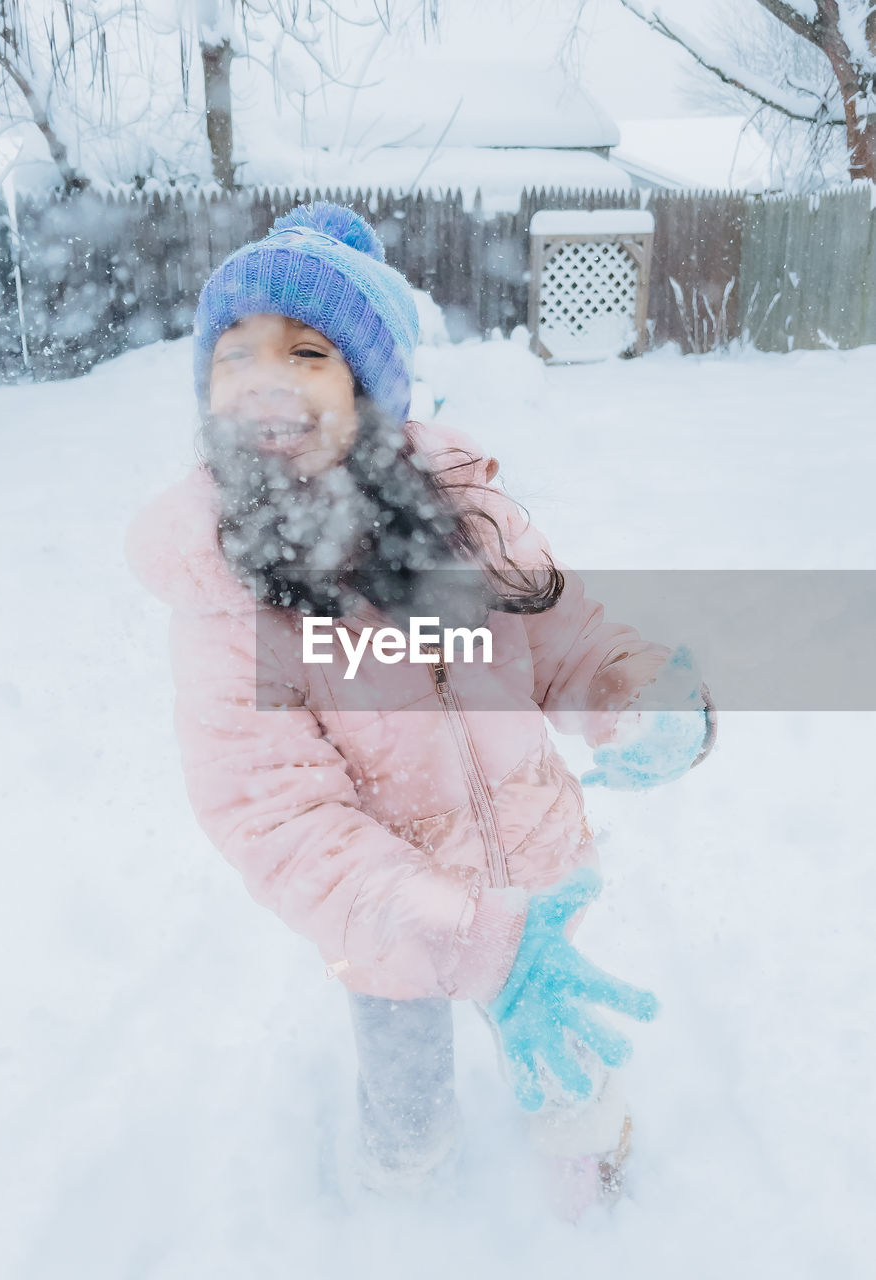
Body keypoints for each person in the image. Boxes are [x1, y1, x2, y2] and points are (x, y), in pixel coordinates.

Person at [124, 201, 716, 1220]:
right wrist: (468, 932)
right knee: (408, 1110)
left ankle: (606, 1204)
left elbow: (561, 634)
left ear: (373, 387)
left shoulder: (458, 518)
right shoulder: (233, 590)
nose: (267, 379)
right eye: (236, 356)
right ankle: (406, 1217)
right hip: (394, 918)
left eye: (308, 351)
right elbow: (281, 821)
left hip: (535, 867)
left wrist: (639, 700)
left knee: (564, 1059)